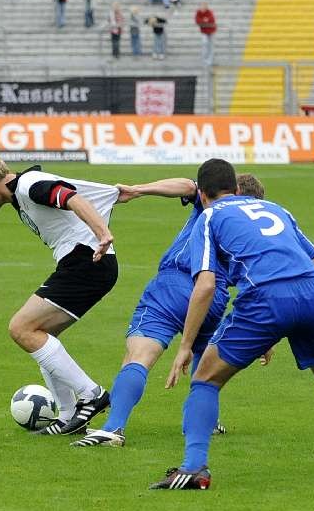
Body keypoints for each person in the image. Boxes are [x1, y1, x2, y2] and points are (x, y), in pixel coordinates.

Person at [149, 159, 314, 489]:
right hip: (313, 292)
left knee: (205, 378)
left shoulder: (209, 216)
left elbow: (205, 285)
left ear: (202, 195)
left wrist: (186, 346)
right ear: (235, 189)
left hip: (265, 297)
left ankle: (194, 468)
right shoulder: (276, 209)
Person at [72, 174, 266, 448]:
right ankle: (204, 422)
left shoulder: (211, 205)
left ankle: (114, 427)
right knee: (205, 357)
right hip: (213, 296)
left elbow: (187, 186)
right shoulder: (251, 228)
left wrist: (138, 189)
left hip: (174, 285)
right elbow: (257, 278)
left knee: (139, 356)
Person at [0, 151, 119, 435]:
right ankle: (68, 415)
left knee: (22, 328)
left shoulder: (29, 184)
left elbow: (71, 197)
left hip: (87, 262)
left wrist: (103, 233)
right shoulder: (21, 193)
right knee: (41, 334)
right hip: (87, 264)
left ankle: (92, 394)